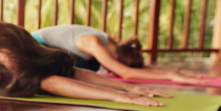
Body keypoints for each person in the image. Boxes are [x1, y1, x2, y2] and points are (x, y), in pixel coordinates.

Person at [0, 20, 172, 106]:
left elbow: (73, 73)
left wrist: (128, 90)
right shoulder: (10, 53)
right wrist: (115, 97)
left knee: (3, 78)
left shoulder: (34, 48)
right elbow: (50, 82)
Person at [31, 24, 208, 83]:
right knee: (88, 65)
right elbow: (125, 71)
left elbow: (127, 67)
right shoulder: (94, 43)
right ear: (117, 59)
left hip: (53, 49)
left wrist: (176, 72)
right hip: (33, 47)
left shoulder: (112, 44)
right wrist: (170, 77)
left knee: (91, 64)